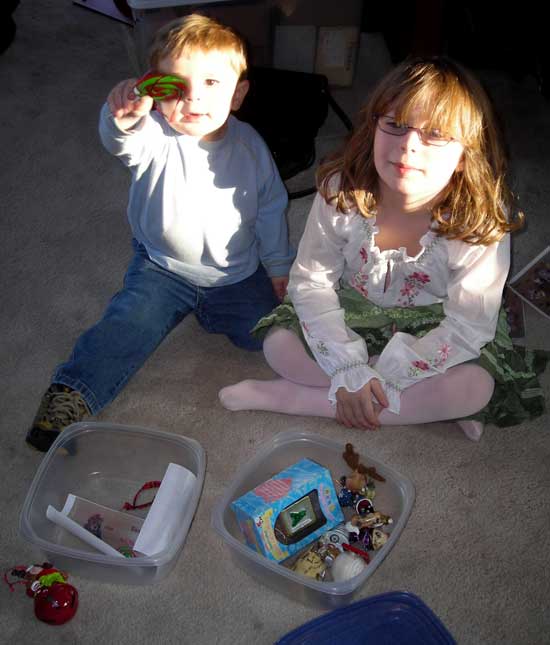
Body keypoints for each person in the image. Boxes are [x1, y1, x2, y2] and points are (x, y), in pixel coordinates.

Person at [220, 56, 548, 441]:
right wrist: (347, 367)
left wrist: (385, 375)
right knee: (278, 345)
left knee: (475, 387)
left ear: (465, 155)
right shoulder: (341, 192)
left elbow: (467, 324)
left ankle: (296, 399)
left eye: (436, 134)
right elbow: (311, 281)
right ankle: (409, 406)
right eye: (394, 125)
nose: (408, 146)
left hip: (435, 326)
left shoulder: (480, 220)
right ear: (373, 127)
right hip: (351, 310)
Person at [26, 14, 294, 452]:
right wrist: (124, 119)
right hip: (161, 268)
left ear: (239, 93)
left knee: (268, 334)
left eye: (211, 82)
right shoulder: (155, 135)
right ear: (156, 91)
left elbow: (270, 207)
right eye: (176, 85)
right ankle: (73, 392)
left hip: (236, 275)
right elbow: (121, 141)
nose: (193, 98)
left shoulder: (251, 148)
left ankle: (234, 318)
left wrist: (279, 265)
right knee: (127, 325)